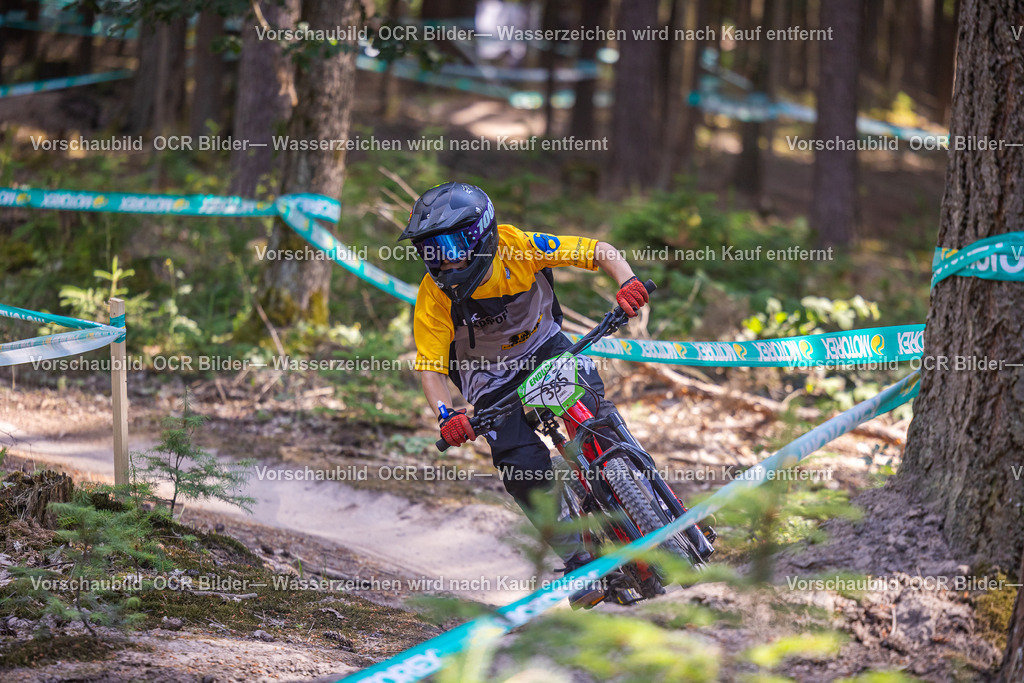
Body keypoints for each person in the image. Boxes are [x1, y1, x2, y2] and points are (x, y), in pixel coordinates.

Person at [400, 181, 654, 609]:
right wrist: (447, 415)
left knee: (593, 417)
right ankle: (577, 560)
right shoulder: (433, 294)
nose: (442, 260)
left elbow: (599, 251)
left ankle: (644, 487)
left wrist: (626, 281)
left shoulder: (517, 247)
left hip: (545, 347)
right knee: (522, 468)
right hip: (488, 378)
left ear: (481, 232)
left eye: (450, 245)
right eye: (430, 250)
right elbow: (430, 369)